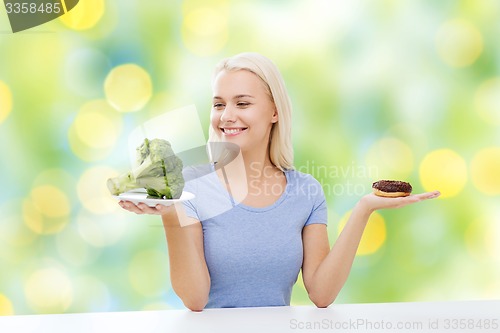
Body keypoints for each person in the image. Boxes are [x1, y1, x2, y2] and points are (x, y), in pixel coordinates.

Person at [118, 52, 440, 311]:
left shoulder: (306, 192)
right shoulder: (191, 186)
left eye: (242, 103)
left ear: (274, 111)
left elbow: (321, 292)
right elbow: (194, 299)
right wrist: (170, 212)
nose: (226, 115)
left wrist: (364, 209)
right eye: (219, 104)